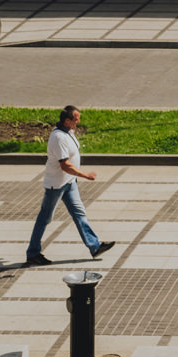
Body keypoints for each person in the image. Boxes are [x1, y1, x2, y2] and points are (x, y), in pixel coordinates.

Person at [25, 104, 114, 266]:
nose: (78, 121)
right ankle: (33, 253)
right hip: (56, 185)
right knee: (45, 218)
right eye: (76, 119)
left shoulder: (68, 132)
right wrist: (85, 175)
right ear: (67, 121)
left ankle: (95, 247)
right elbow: (64, 165)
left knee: (79, 213)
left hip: (68, 182)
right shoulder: (58, 138)